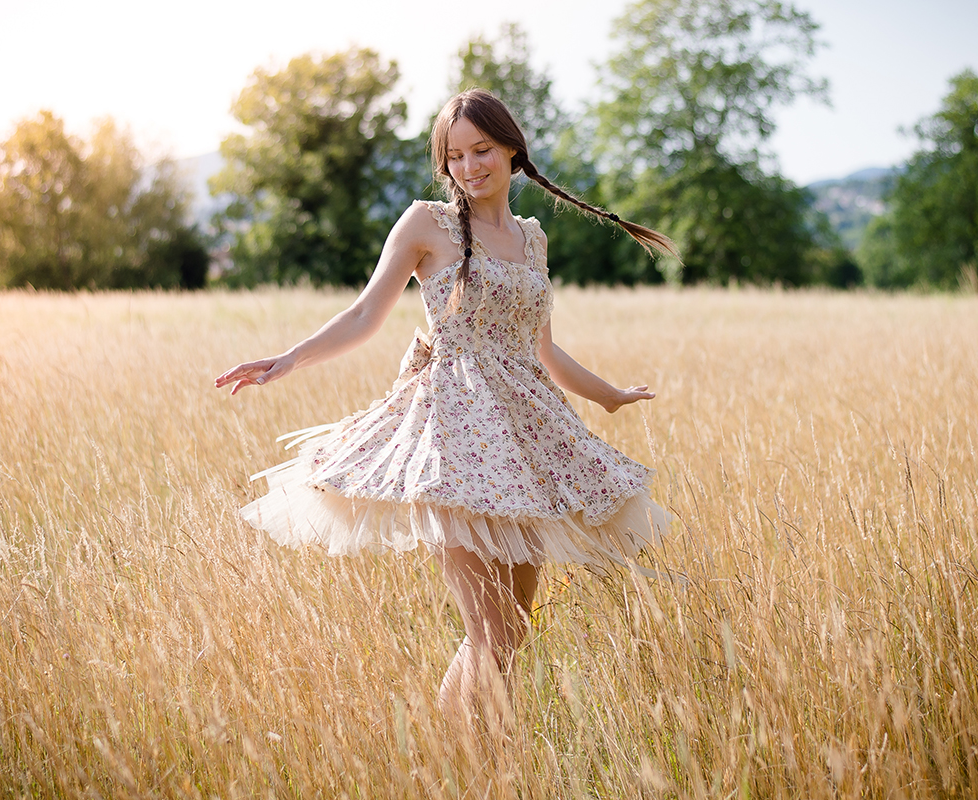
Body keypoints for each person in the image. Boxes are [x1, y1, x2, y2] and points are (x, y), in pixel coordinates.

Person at [215, 88, 677, 727]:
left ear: (512, 148)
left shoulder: (532, 238)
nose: (469, 166)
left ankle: (481, 766)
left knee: (512, 634)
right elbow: (364, 312)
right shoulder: (425, 224)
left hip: (524, 443)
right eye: (454, 155)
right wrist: (288, 359)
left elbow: (541, 349)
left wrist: (611, 398)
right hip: (454, 440)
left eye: (481, 150)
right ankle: (466, 769)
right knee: (487, 632)